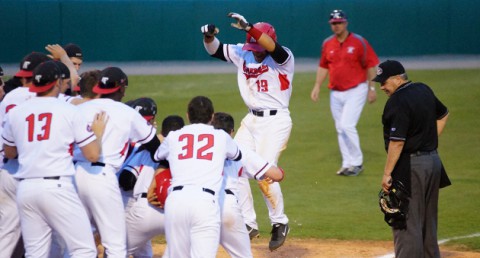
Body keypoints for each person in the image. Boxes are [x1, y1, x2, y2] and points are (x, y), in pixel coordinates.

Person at [201, 12, 293, 251]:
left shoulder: (283, 58)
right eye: (252, 46)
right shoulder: (245, 51)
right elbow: (215, 50)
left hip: (276, 121)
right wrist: (208, 35)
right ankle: (249, 223)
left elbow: (272, 47)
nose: (254, 50)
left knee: (264, 173)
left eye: (257, 45)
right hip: (251, 119)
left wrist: (250, 28)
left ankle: (279, 222)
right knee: (234, 165)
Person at [153, 96, 284, 258]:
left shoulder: (175, 136)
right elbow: (239, 156)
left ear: (188, 115)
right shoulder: (223, 139)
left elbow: (158, 156)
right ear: (211, 116)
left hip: (176, 201)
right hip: (210, 204)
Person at [2, 60, 106, 257]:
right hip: (57, 186)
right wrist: (97, 134)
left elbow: (9, 152)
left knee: (36, 253)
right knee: (84, 249)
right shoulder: (69, 110)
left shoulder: (16, 113)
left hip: (25, 189)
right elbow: (92, 155)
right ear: (57, 82)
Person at [73, 67, 160, 257]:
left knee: (79, 243)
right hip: (102, 178)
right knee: (116, 245)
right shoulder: (126, 112)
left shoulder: (79, 109)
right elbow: (155, 148)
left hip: (74, 176)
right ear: (121, 89)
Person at [373, 60, 449, 258]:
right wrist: (427, 141)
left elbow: (397, 142)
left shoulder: (397, 101)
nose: (381, 87)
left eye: (384, 82)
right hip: (433, 163)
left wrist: (387, 173)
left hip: (411, 166)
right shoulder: (423, 89)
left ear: (398, 79)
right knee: (428, 222)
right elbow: (443, 115)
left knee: (406, 222)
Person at [310, 9, 379, 176]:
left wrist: (372, 88)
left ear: (346, 23)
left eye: (339, 22)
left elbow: (371, 65)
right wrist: (317, 86)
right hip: (336, 91)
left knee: (347, 125)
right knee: (340, 127)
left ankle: (357, 163)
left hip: (357, 89)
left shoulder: (359, 42)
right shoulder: (327, 43)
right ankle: (347, 163)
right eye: (334, 23)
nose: (336, 26)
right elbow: (323, 66)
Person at [0, 51, 50, 258]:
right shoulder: (42, 98)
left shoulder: (10, 97)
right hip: (23, 170)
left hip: (5, 167)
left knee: (12, 230)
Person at [125, 114, 184, 257]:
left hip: (146, 208)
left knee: (117, 251)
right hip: (178, 212)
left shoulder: (147, 149)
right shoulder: (187, 153)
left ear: (162, 131)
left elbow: (126, 180)